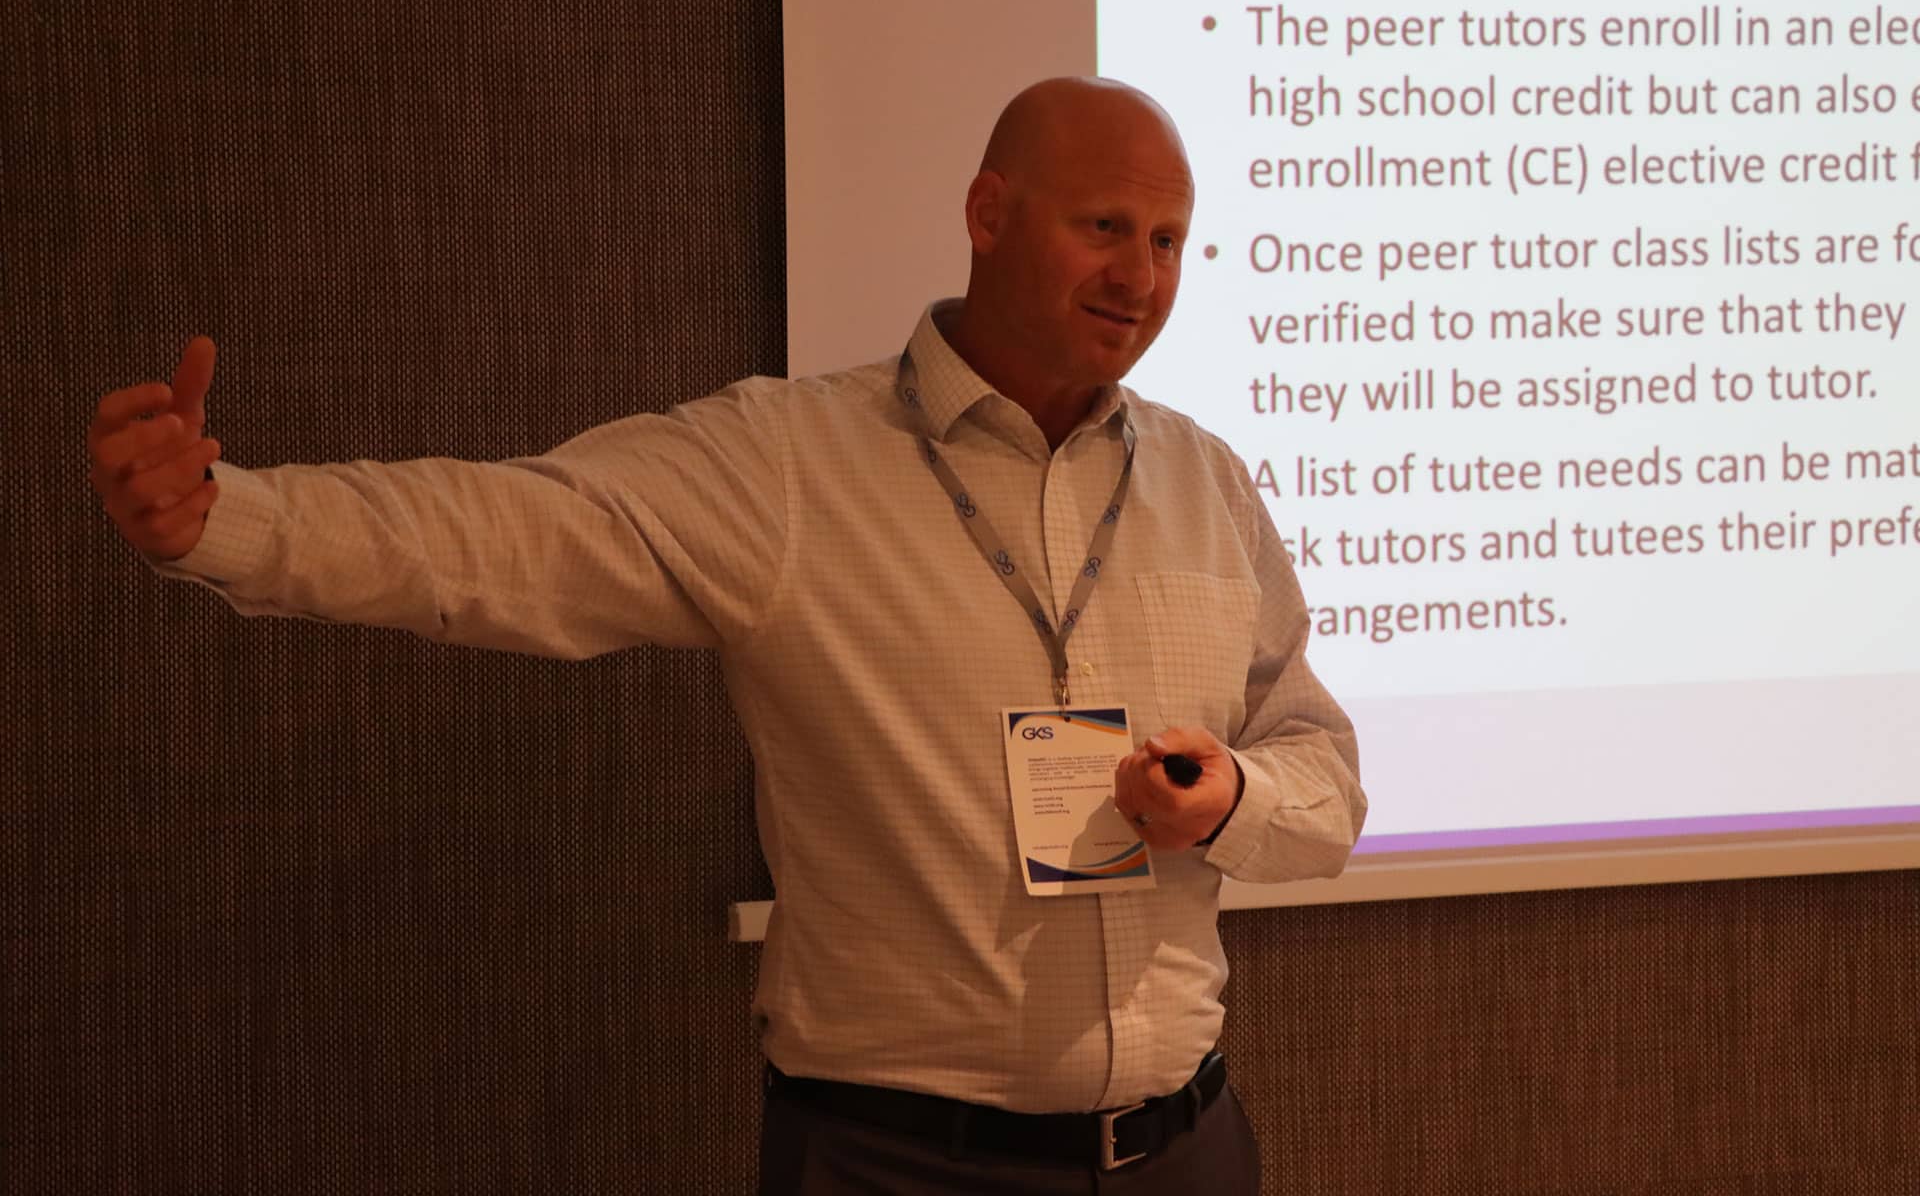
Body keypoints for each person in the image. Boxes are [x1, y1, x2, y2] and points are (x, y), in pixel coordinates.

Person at [87, 77, 1365, 1194]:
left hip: (1183, 1150)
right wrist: (225, 517)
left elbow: (1322, 773)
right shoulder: (791, 462)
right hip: (897, 1163)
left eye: (1168, 239)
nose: (1141, 277)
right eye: (1104, 227)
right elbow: (508, 532)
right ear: (988, 214)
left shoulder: (1207, 482)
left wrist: (1231, 797)